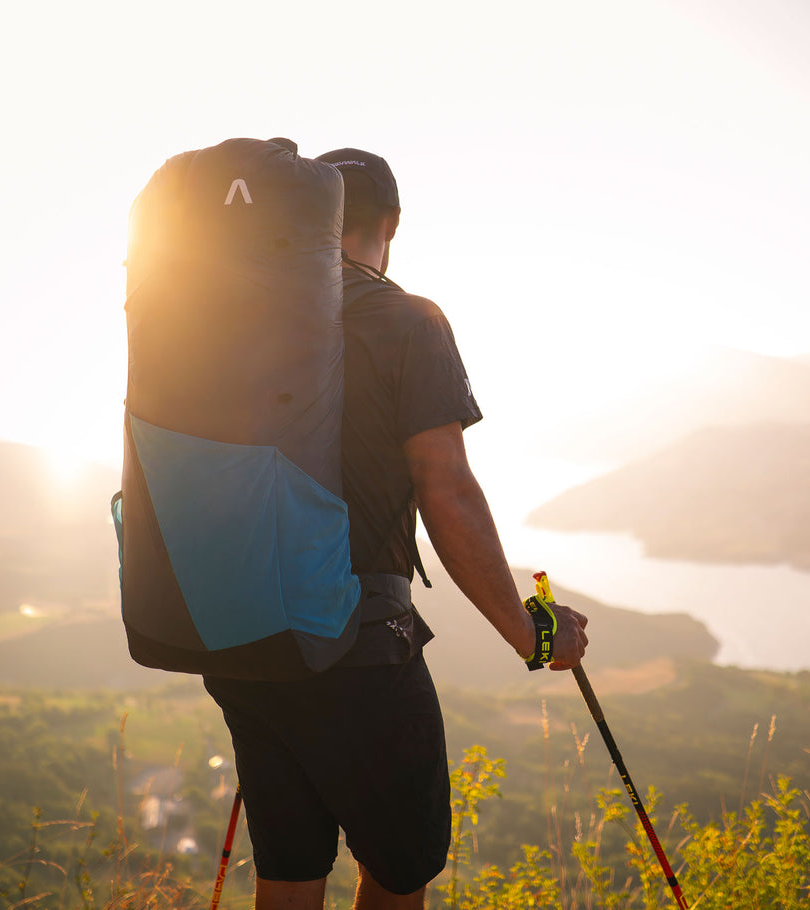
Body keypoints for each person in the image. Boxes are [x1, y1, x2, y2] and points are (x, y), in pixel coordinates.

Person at [203, 148, 589, 910]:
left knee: (288, 866)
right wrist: (531, 633)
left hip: (241, 643)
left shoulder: (235, 320)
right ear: (391, 225)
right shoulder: (404, 317)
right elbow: (445, 487)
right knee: (402, 867)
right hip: (358, 649)